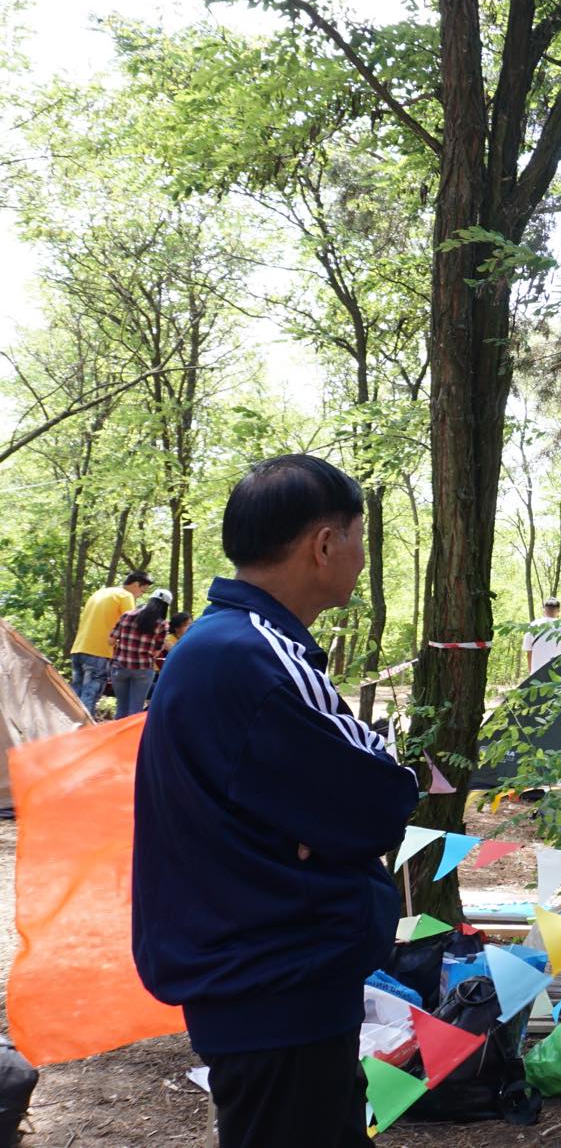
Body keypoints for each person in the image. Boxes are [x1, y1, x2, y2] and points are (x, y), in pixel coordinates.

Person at [133, 454, 421, 1148]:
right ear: (324, 544)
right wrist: (341, 820)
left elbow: (338, 794)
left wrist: (322, 826)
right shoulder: (253, 656)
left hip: (266, 975)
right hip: (274, 980)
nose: (359, 555)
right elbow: (383, 796)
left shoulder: (226, 643)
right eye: (358, 536)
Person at [71, 568, 151, 719]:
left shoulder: (101, 592)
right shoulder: (125, 596)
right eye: (143, 590)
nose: (141, 595)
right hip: (99, 651)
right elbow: (130, 625)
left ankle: (66, 731)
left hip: (78, 649)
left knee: (74, 697)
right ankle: (84, 736)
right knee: (89, 697)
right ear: (135, 584)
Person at [107, 590, 172, 718]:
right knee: (135, 710)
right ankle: (130, 737)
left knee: (121, 707)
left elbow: (110, 641)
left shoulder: (126, 615)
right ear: (165, 606)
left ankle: (117, 736)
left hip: (120, 667)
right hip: (143, 669)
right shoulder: (162, 625)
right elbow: (156, 652)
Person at [523, 596, 561, 675]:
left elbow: (529, 653)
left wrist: (531, 673)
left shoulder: (532, 626)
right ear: (558, 611)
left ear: (544, 610)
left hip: (536, 674)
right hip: (557, 675)